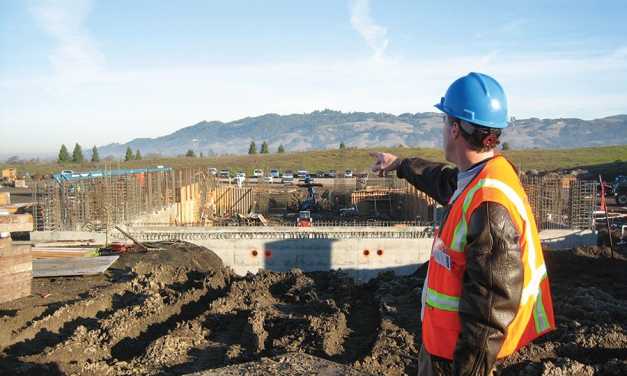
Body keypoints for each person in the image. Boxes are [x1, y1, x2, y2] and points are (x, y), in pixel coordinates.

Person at [371, 72, 555, 375]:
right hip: (444, 348)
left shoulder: (489, 202)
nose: (442, 129)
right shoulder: (482, 176)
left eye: (445, 121)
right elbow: (445, 181)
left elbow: (491, 307)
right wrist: (399, 165)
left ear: (455, 129)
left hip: (455, 360)